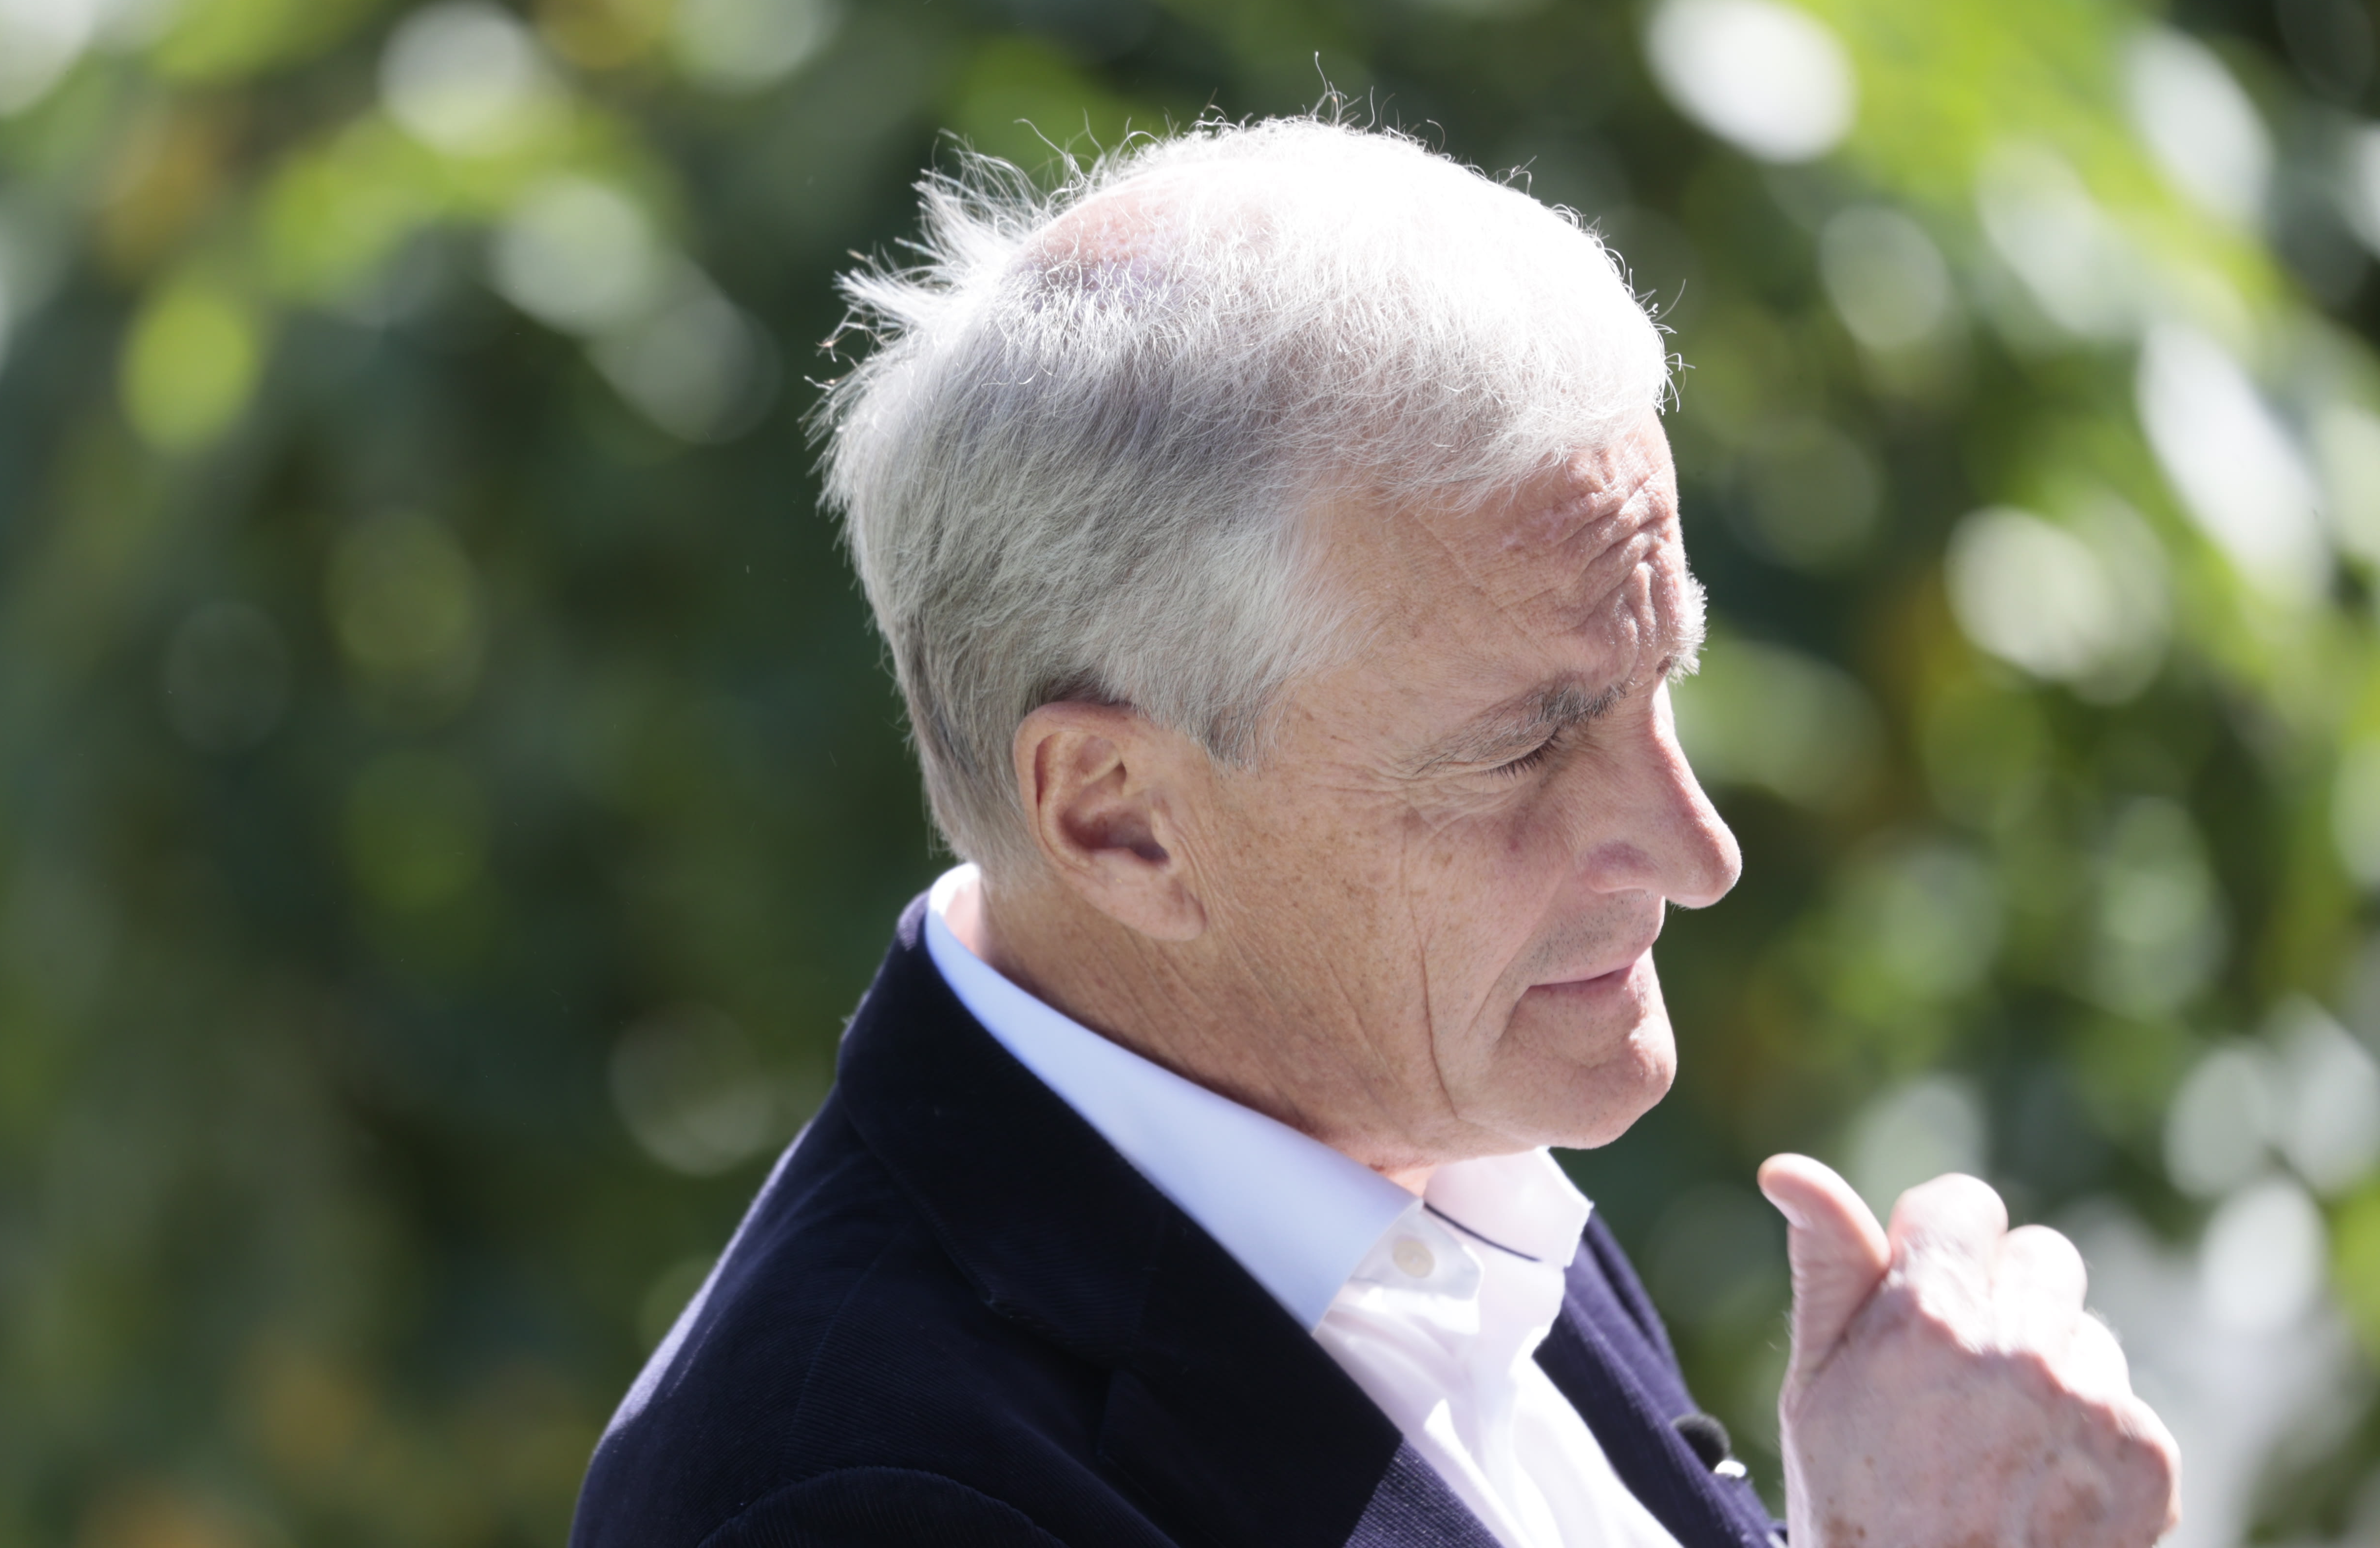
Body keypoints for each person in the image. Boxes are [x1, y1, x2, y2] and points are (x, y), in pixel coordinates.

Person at [570, 120, 2180, 1548]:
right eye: (1528, 745)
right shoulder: (858, 1498)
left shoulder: (1400, 1133)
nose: (1699, 852)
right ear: (1118, 818)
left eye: (1662, 683)